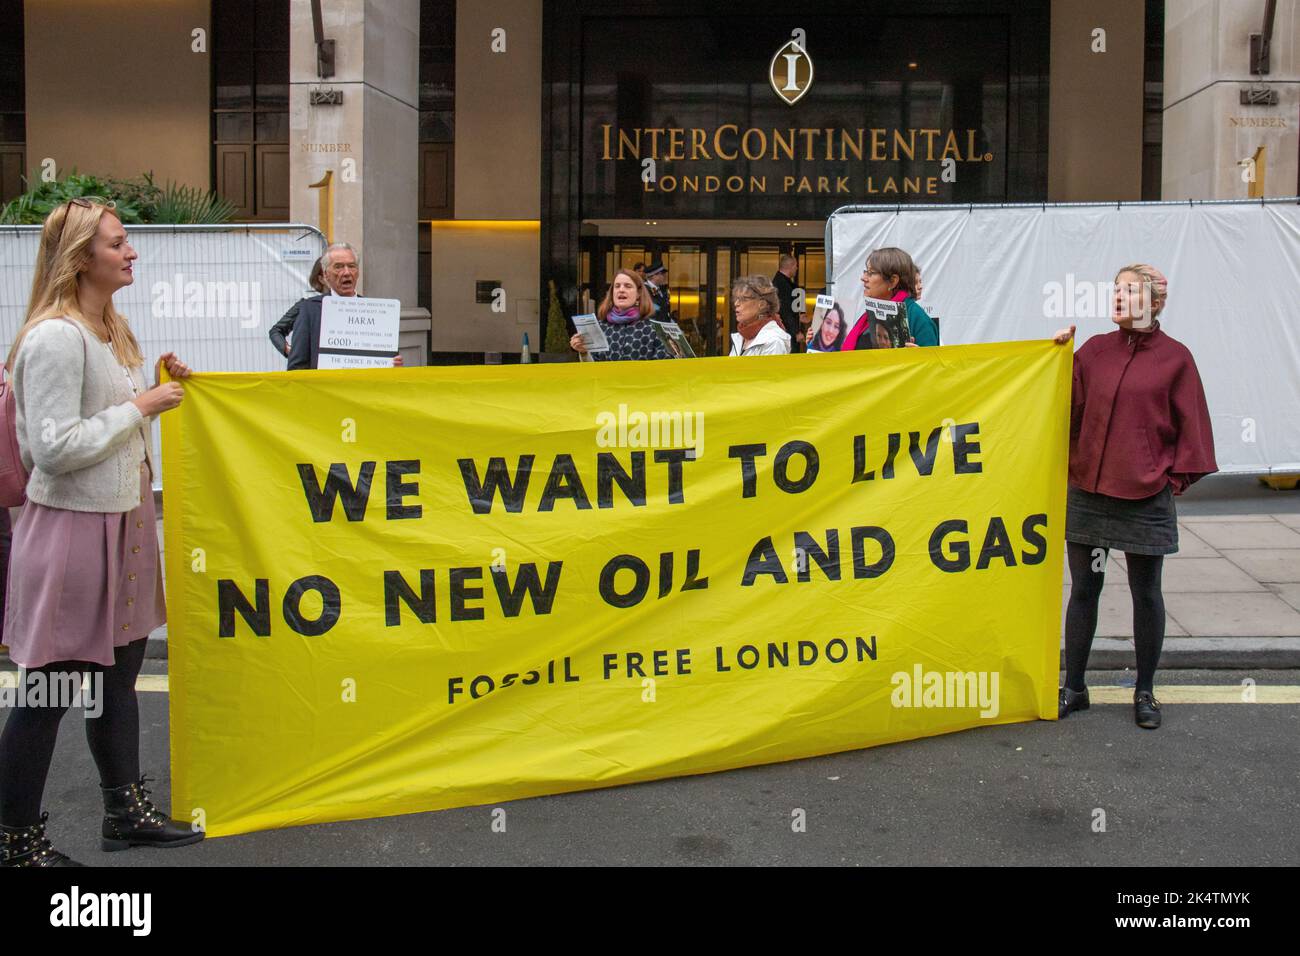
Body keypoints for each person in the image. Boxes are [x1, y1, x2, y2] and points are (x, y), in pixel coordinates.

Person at [0, 198, 203, 867]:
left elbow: (103, 426)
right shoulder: (56, 336)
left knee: (117, 679)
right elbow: (52, 449)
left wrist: (152, 389)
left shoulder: (104, 330)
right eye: (118, 244)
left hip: (119, 524)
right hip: (72, 534)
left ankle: (126, 813)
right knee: (47, 695)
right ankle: (16, 843)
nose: (131, 252)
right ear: (81, 257)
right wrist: (142, 404)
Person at [1053, 264, 1217, 730]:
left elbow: (1194, 429)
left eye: (1130, 291)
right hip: (1088, 491)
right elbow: (1061, 406)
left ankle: (1144, 691)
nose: (1119, 298)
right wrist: (1056, 358)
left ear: (1157, 302)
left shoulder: (1176, 359)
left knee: (1146, 593)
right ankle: (1075, 688)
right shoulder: (1093, 351)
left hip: (1146, 496)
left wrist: (1170, 482)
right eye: (1116, 290)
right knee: (1085, 589)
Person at [286, 242, 403, 370]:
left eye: (352, 266)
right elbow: (296, 367)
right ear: (325, 275)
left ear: (357, 272)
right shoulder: (309, 310)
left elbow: (386, 359)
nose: (347, 272)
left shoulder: (376, 312)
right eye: (339, 267)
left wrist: (394, 365)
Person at [841, 247, 938, 350]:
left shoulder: (918, 319)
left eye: (871, 273)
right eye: (865, 272)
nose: (863, 278)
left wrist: (915, 357)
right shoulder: (867, 316)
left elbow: (932, 364)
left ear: (893, 281)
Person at [569, 268, 672, 362]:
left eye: (628, 286)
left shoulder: (653, 329)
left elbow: (662, 368)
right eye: (617, 286)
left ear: (638, 293)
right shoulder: (601, 327)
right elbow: (592, 369)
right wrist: (583, 352)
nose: (621, 290)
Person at [268, 258, 326, 360]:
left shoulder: (353, 304)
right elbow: (276, 331)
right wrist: (291, 351)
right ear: (321, 278)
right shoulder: (306, 305)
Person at [729, 276, 791, 356]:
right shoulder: (740, 337)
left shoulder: (773, 340)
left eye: (744, 299)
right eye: (736, 299)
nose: (736, 303)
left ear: (762, 304)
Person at [772, 254, 802, 352]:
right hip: (786, 332)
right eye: (796, 265)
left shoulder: (781, 282)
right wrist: (796, 332)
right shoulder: (782, 284)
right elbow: (785, 311)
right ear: (791, 266)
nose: (797, 268)